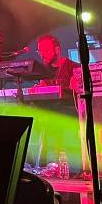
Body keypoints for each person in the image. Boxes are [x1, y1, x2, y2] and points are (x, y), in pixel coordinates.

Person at [34, 34, 81, 174]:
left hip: (69, 112)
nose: (42, 54)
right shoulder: (42, 70)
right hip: (50, 113)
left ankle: (73, 169)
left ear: (57, 49)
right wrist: (39, 89)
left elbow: (77, 94)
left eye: (46, 50)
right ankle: (44, 167)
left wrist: (74, 86)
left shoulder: (73, 67)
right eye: (40, 51)